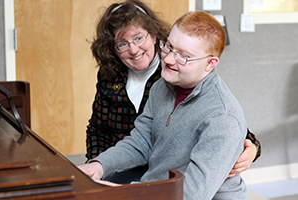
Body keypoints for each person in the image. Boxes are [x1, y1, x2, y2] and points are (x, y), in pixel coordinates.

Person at [80, 10, 255, 199]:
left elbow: (192, 194)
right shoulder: (162, 86)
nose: (169, 59)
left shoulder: (222, 118)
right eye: (169, 47)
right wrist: (99, 165)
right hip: (159, 188)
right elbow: (141, 142)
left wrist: (129, 193)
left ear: (210, 63)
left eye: (183, 56)